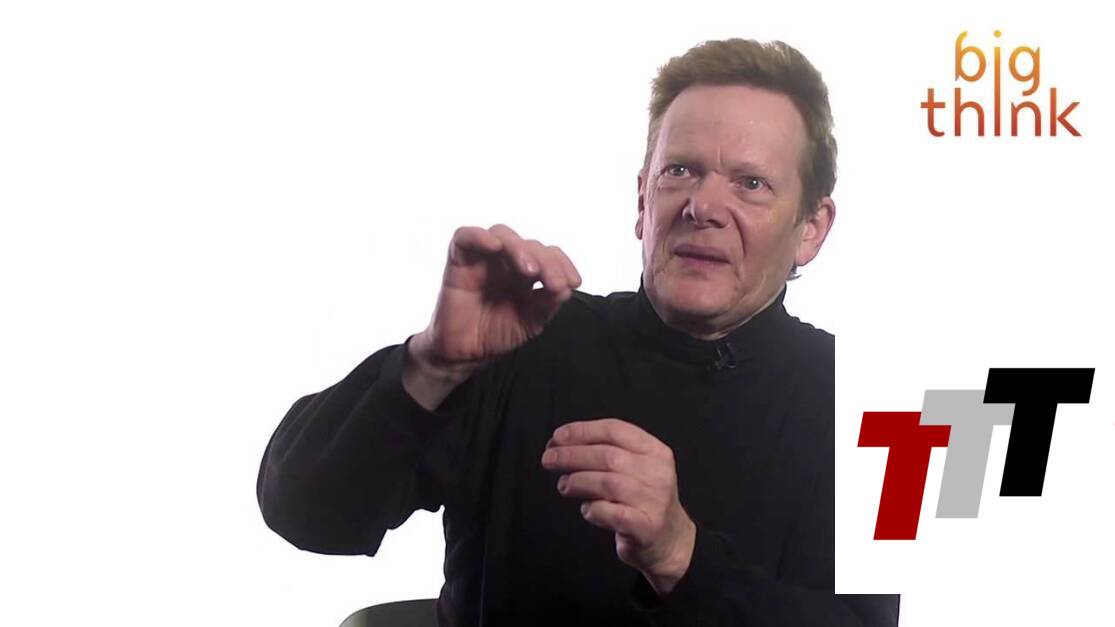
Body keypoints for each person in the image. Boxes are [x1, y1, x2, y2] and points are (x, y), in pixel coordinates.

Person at [257, 38, 900, 626]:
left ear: (811, 229)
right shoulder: (522, 337)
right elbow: (305, 511)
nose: (703, 206)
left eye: (751, 184)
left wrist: (682, 555)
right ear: (642, 201)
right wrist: (432, 366)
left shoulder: (886, 409)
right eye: (680, 171)